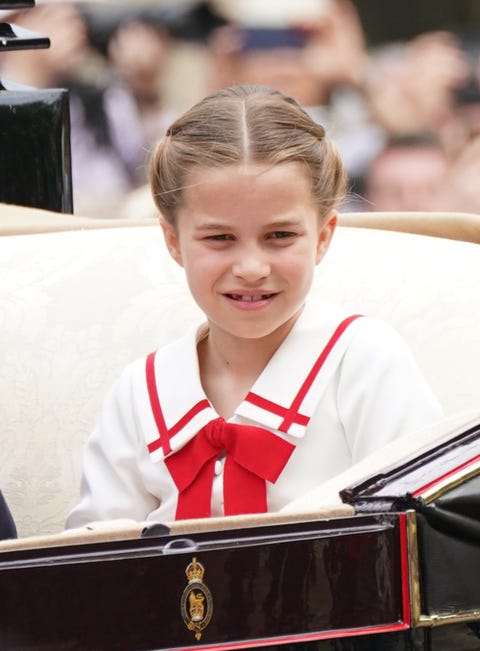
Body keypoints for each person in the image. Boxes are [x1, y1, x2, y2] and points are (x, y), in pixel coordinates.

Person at [66, 84, 443, 528]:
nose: (250, 267)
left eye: (279, 236)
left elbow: (424, 537)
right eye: (219, 238)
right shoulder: (139, 394)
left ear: (323, 236)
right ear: (173, 240)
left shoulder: (365, 365)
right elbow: (91, 563)